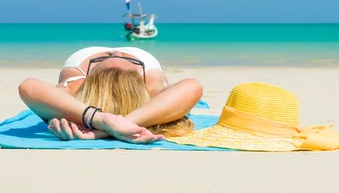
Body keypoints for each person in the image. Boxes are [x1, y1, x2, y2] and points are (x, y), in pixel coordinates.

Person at [18, 46, 203, 144]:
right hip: (142, 61)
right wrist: (119, 125)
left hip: (84, 60)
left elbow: (28, 88)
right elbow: (192, 87)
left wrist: (103, 123)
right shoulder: (149, 83)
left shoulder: (77, 83)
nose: (115, 53)